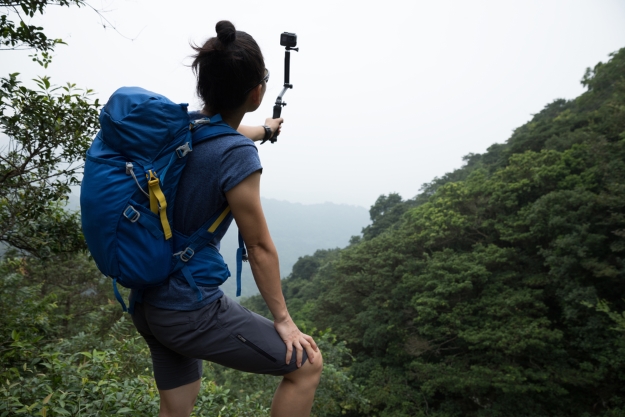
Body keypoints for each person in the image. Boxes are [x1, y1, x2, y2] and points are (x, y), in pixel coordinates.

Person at [129, 20, 323, 417]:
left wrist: (264, 131)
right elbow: (258, 246)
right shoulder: (236, 156)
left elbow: (223, 132)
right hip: (188, 309)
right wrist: (283, 320)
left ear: (205, 86)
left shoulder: (180, 128)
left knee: (177, 405)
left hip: (148, 301)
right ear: (257, 92)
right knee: (306, 366)